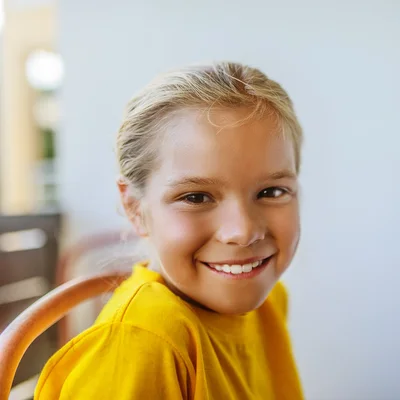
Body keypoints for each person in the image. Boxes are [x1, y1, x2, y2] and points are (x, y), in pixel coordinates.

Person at [35, 62, 304, 399]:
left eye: (271, 192)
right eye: (195, 197)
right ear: (135, 207)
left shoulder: (268, 302)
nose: (242, 231)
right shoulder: (142, 343)